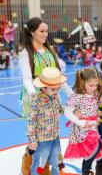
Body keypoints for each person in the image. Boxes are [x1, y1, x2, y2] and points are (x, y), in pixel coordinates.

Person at [19, 17, 72, 174]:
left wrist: (71, 94)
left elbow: (58, 77)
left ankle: (55, 168)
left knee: (52, 135)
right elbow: (27, 80)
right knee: (38, 135)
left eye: (46, 31)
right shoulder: (26, 54)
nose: (45, 34)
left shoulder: (50, 51)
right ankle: (29, 162)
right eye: (41, 31)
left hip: (52, 96)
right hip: (35, 98)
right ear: (32, 32)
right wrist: (36, 95)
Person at [64, 67, 102, 175]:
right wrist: (81, 122)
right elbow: (67, 112)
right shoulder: (77, 96)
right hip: (82, 127)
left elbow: (91, 107)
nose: (94, 88)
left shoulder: (94, 94)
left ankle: (86, 170)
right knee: (97, 145)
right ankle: (86, 170)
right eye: (91, 85)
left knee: (96, 147)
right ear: (83, 82)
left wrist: (96, 112)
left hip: (93, 125)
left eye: (96, 85)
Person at [27, 67, 67, 175]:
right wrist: (31, 140)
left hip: (55, 138)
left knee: (58, 162)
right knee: (39, 165)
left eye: (58, 89)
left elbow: (60, 110)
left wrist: (71, 112)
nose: (56, 92)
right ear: (43, 88)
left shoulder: (55, 97)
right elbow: (31, 122)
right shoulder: (36, 100)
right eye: (53, 89)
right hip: (42, 141)